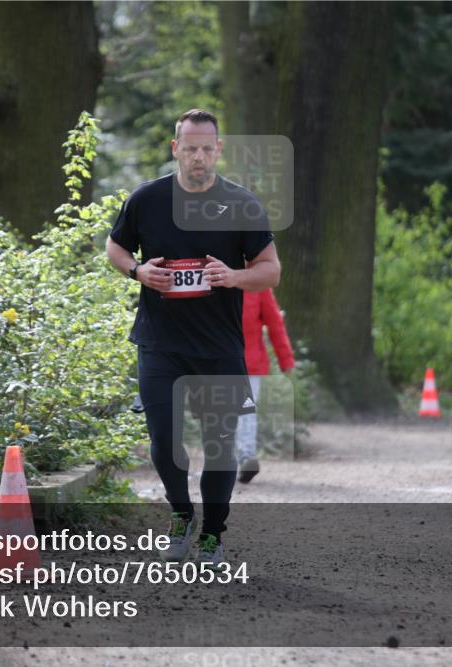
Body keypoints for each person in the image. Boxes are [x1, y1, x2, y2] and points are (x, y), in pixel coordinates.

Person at [106, 109, 280, 565]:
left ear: (218, 149)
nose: (198, 157)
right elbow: (115, 245)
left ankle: (213, 534)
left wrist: (234, 275)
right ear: (175, 149)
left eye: (207, 148)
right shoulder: (146, 199)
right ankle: (182, 516)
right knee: (163, 439)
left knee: (219, 443)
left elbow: (270, 271)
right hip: (160, 342)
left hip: (218, 345)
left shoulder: (241, 204)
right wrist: (137, 270)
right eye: (190, 148)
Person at [236, 288, 295, 483]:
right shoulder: (214, 277)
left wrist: (285, 358)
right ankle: (231, 458)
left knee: (245, 409)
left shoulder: (259, 285)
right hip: (217, 360)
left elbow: (275, 323)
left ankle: (246, 457)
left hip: (249, 363)